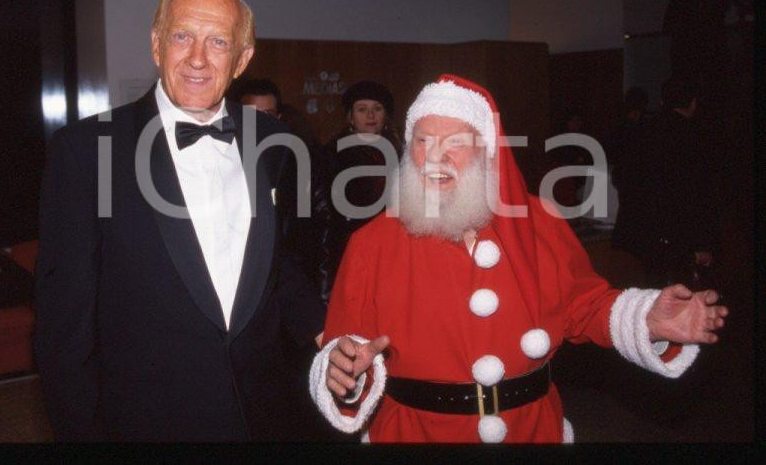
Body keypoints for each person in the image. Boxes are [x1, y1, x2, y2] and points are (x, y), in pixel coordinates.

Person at [308, 74, 728, 443]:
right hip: (416, 432)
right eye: (423, 141)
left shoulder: (538, 222)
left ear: (487, 152)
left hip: (533, 429)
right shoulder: (373, 242)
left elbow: (584, 305)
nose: (434, 157)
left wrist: (648, 318)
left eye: (455, 142)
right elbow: (346, 348)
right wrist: (345, 373)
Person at [34, 0, 325, 441]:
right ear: (156, 44)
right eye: (182, 36)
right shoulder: (87, 150)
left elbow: (276, 263)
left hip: (263, 412)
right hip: (148, 419)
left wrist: (326, 332)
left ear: (242, 59)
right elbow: (64, 326)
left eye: (218, 41)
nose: (197, 58)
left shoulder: (273, 142)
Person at [615, 76, 719, 291]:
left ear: (662, 101)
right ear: (693, 102)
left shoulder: (641, 130)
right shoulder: (696, 137)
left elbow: (621, 177)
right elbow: (698, 195)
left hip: (640, 234)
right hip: (677, 238)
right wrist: (701, 245)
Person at [319, 81, 402, 303]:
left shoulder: (402, 152)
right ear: (351, 117)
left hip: (393, 247)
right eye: (362, 109)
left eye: (377, 108)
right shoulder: (333, 154)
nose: (371, 115)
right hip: (349, 246)